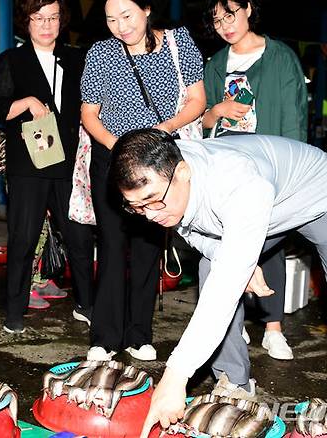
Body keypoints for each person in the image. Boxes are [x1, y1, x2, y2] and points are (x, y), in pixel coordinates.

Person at [107, 129, 327, 437]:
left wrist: (175, 377)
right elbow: (198, 235)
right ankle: (234, 383)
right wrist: (239, 258)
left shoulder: (237, 183)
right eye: (136, 206)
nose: (148, 215)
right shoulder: (168, 180)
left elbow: (223, 290)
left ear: (183, 172)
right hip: (271, 209)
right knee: (213, 267)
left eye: (152, 201)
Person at [80, 0, 205, 361]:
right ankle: (104, 337)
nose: (120, 26)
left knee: (149, 248)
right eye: (111, 19)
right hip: (113, 158)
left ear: (148, 9)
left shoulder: (180, 43)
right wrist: (117, 144)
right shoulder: (101, 52)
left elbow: (197, 100)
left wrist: (162, 130)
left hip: (157, 158)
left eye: (127, 16)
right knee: (112, 247)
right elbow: (89, 113)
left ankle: (139, 334)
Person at [201, 0, 308, 360]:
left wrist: (296, 169)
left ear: (248, 8)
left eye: (230, 15)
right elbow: (203, 121)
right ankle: (233, 323)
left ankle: (273, 328)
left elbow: (294, 116)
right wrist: (215, 112)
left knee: (271, 240)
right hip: (228, 162)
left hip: (271, 159)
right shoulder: (216, 63)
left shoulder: (280, 57)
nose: (225, 25)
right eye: (217, 21)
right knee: (228, 241)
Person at [0, 0, 95, 334]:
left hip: (70, 165)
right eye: (38, 18)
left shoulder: (78, 58)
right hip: (28, 165)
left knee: (79, 237)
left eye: (53, 18)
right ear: (26, 22)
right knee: (23, 237)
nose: (46, 25)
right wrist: (27, 102)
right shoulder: (13, 60)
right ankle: (14, 310)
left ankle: (86, 304)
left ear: (62, 21)